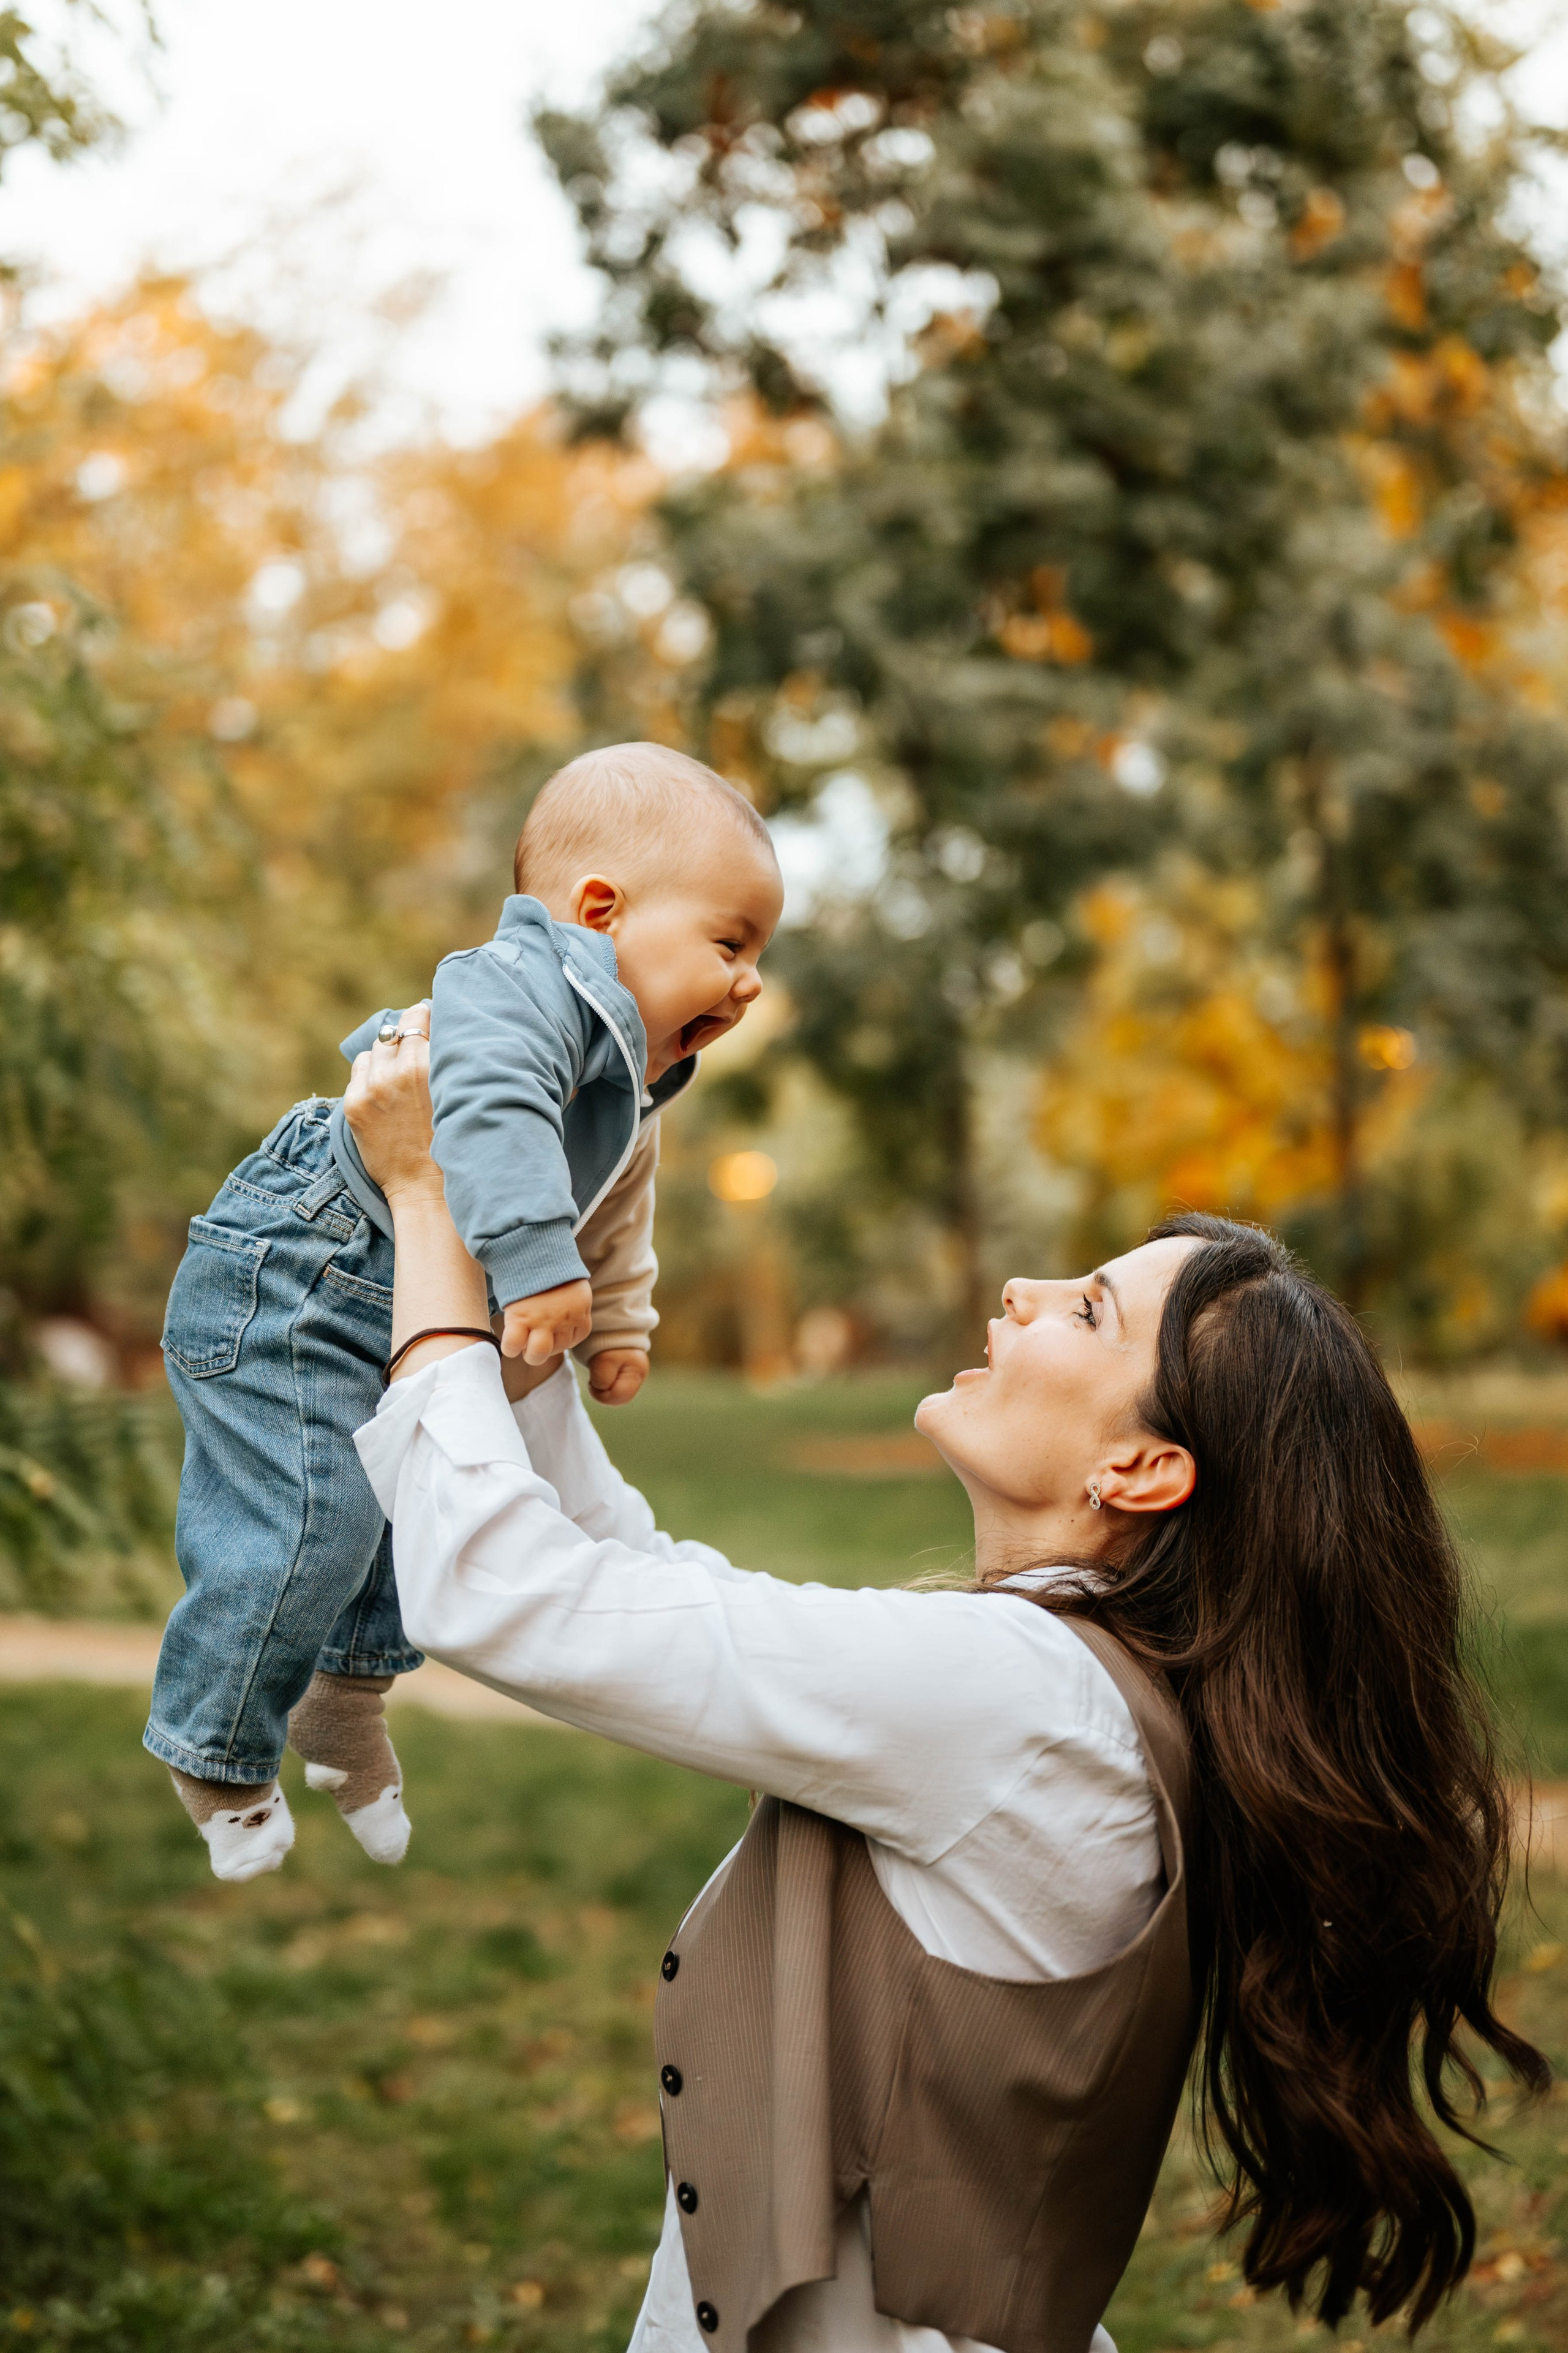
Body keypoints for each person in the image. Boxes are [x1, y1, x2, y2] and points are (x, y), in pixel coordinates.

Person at [343, 1016, 1547, 2353]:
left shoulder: (1022, 1700)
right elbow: (633, 1578)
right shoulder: (1066, 1686)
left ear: (1139, 1472)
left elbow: (504, 1595)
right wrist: (526, 1284)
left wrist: (429, 1207)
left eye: (1087, 1310)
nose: (1026, 1286)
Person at [144, 744, 783, 1883]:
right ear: (600, 910)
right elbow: (482, 1113)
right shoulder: (517, 988)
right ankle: (216, 1745)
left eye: (759, 957)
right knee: (310, 1527)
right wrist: (537, 1263)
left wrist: (623, 1317)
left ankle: (342, 1703)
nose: (749, 984)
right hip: (297, 1273)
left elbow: (620, 1190)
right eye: (730, 945)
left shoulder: (629, 1066)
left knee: (414, 1493)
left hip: (389, 1277)